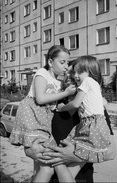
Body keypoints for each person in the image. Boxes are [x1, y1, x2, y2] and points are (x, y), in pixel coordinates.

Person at [24, 56, 115, 183]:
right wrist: (30, 150)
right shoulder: (53, 103)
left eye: (73, 73)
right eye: (67, 73)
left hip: (80, 179)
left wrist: (73, 155)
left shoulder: (94, 108)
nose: (70, 76)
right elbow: (36, 135)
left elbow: (110, 152)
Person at [9, 45, 76, 183]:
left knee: (43, 157)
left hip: (45, 116)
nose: (65, 66)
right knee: (40, 151)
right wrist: (65, 93)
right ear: (50, 62)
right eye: (62, 62)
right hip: (33, 112)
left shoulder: (59, 81)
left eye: (67, 63)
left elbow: (56, 101)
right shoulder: (42, 73)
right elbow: (40, 98)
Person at [54, 55, 112, 178]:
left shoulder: (87, 83)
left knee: (65, 172)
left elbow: (111, 153)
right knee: (68, 174)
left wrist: (61, 108)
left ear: (90, 72)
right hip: (90, 126)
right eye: (70, 72)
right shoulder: (91, 89)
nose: (73, 76)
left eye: (77, 72)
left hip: (90, 127)